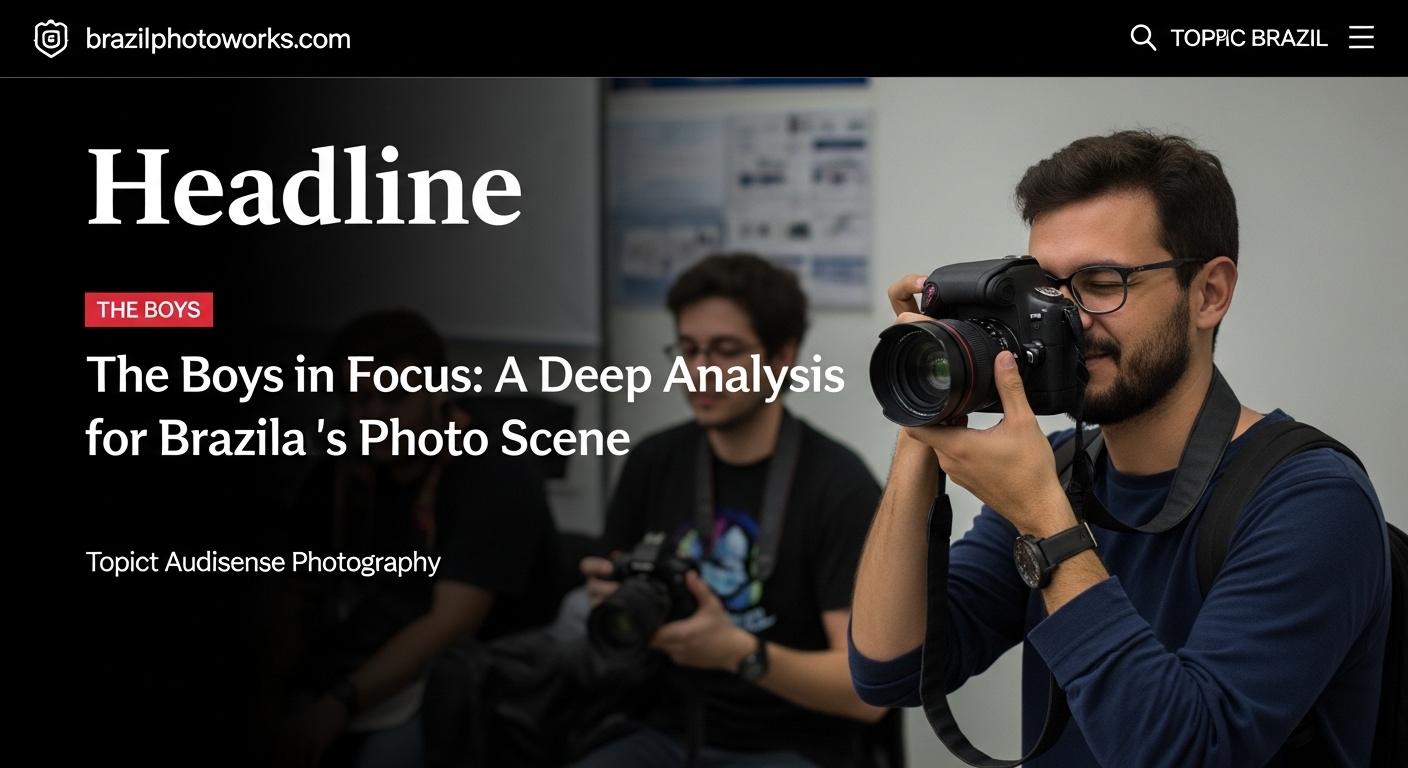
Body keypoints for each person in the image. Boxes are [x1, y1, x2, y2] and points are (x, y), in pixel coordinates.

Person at [848, 130, 1392, 767]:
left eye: (1101, 282)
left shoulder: (1311, 500)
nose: (1065, 320)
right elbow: (890, 667)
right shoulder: (1056, 471)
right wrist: (928, 413)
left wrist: (1049, 527)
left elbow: (1185, 753)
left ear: (1209, 293)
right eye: (1046, 290)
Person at [576, 254, 887, 767]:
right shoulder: (655, 461)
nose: (699, 370)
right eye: (688, 349)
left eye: (724, 352)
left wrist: (738, 651)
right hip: (660, 728)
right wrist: (607, 597)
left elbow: (866, 693)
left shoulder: (838, 485)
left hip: (790, 744)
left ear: (782, 355)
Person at [280, 310, 566, 768]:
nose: (374, 418)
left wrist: (338, 704)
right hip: (364, 657)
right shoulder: (341, 469)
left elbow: (451, 622)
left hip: (471, 672)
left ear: (436, 394)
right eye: (359, 400)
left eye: (393, 399)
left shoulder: (494, 471)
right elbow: (294, 592)